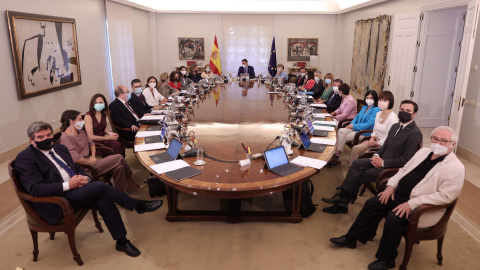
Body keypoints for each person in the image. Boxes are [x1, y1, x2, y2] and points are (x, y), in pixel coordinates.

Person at [16, 121, 163, 257]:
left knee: (105, 202)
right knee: (100, 187)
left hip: (77, 190)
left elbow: (75, 168)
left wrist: (84, 178)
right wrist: (68, 185)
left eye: (49, 135)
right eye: (41, 137)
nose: (47, 139)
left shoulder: (59, 148)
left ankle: (122, 241)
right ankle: (137, 205)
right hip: (58, 200)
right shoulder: (25, 159)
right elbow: (35, 189)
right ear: (31, 140)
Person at [329, 126, 464, 270]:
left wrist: (412, 204)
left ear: (452, 144)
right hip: (398, 194)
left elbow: (446, 196)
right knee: (373, 203)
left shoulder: (455, 167)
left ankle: (387, 260)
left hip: (420, 207)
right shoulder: (424, 152)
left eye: (443, 141)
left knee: (394, 219)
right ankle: (352, 238)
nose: (438, 143)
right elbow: (404, 170)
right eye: (435, 138)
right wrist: (390, 186)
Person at [322, 100, 423, 214]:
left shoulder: (415, 133)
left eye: (408, 111)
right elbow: (385, 146)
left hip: (391, 168)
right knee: (356, 164)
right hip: (380, 159)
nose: (404, 112)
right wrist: (376, 155)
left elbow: (406, 159)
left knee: (360, 174)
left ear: (414, 114)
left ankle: (342, 202)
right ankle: (342, 198)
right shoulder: (395, 126)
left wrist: (383, 163)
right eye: (402, 109)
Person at [59, 110, 145, 193]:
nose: (82, 121)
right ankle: (132, 184)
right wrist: (89, 161)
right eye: (80, 119)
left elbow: (91, 143)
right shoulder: (65, 138)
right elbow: (76, 159)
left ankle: (121, 191)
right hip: (84, 168)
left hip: (91, 161)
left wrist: (92, 157)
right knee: (119, 157)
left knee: (120, 167)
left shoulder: (80, 131)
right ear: (71, 122)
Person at [329, 90, 380, 166]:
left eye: (371, 98)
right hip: (356, 128)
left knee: (343, 138)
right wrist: (351, 125)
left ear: (375, 99)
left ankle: (337, 156)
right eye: (367, 97)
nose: (369, 99)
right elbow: (356, 117)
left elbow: (369, 124)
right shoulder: (365, 107)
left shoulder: (376, 110)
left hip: (364, 132)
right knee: (340, 131)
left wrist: (354, 126)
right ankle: (337, 153)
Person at [349, 91, 398, 167]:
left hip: (384, 146)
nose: (381, 102)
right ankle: (350, 171)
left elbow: (390, 139)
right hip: (374, 141)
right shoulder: (378, 113)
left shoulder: (393, 118)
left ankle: (356, 171)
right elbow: (375, 130)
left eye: (385, 100)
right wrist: (372, 139)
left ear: (390, 102)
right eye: (380, 100)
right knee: (355, 149)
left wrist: (375, 143)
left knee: (363, 154)